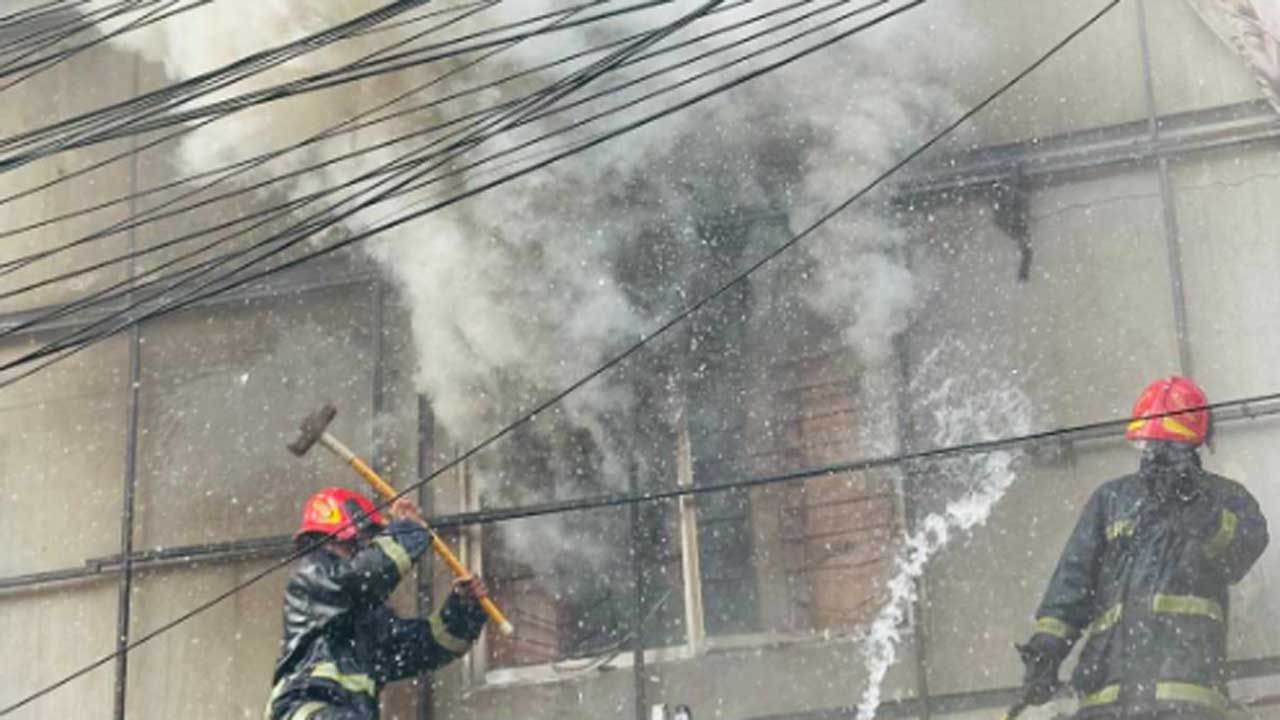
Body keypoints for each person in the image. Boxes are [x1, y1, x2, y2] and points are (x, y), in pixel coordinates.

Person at [1018, 377, 1268, 720]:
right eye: (1151, 445)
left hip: (1186, 698)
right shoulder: (1112, 500)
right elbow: (1072, 584)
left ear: (1195, 445)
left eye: (1169, 446)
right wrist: (1046, 652)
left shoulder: (1225, 498)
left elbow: (1240, 555)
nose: (1157, 454)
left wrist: (1197, 507)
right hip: (1107, 698)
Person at [265, 487, 490, 720]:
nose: (369, 547)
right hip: (304, 710)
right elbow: (363, 576)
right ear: (340, 537)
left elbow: (424, 646)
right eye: (366, 539)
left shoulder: (367, 623)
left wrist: (464, 608)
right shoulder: (312, 572)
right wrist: (406, 530)